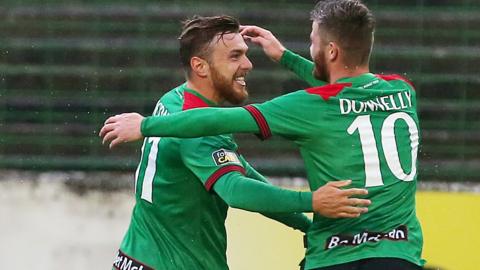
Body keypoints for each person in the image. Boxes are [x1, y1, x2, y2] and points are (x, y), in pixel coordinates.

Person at [101, 1, 427, 269]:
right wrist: (311, 202)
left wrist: (305, 223)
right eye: (234, 56)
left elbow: (243, 171)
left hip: (135, 257)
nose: (248, 65)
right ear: (200, 66)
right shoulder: (403, 89)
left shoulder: (174, 100)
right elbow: (236, 189)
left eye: (246, 53)